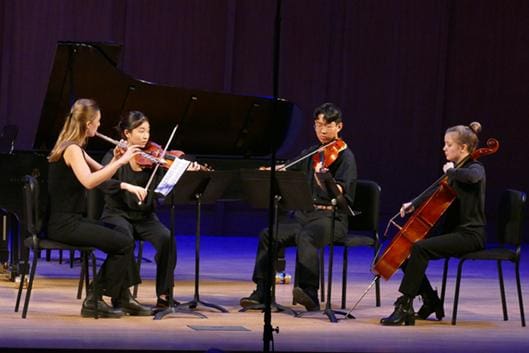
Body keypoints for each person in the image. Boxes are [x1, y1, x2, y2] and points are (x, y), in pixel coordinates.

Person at [240, 102, 357, 311]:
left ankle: (309, 291)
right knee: (269, 233)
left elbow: (342, 197)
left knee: (307, 237)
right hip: (305, 215)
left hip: (332, 219)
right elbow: (288, 168)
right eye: (318, 124)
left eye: (328, 125)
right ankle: (262, 291)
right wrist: (270, 170)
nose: (322, 130)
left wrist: (326, 180)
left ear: (339, 127)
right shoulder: (313, 152)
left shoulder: (345, 157)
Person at [47, 98, 152, 318]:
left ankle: (122, 295)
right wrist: (121, 163)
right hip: (64, 224)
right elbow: (88, 181)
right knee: (123, 243)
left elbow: (103, 175)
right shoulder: (72, 150)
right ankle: (94, 298)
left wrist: (125, 180)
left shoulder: (76, 147)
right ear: (88, 125)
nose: (99, 125)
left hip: (71, 220)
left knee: (123, 234)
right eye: (98, 121)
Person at [380, 122, 486, 326]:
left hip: (471, 235)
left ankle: (404, 306)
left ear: (462, 148)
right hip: (453, 233)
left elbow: (473, 178)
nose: (444, 148)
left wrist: (452, 172)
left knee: (419, 248)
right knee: (404, 252)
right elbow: (436, 190)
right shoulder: (455, 171)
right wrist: (413, 204)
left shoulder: (474, 168)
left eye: (448, 144)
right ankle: (431, 300)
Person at [98, 111, 177, 308]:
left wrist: (174, 174)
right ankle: (121, 294)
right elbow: (103, 184)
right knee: (125, 240)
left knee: (167, 238)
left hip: (144, 216)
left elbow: (159, 193)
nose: (145, 136)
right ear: (127, 133)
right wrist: (118, 164)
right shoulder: (114, 156)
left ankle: (165, 294)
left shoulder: (153, 159)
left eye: (147, 131)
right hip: (117, 214)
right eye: (141, 131)